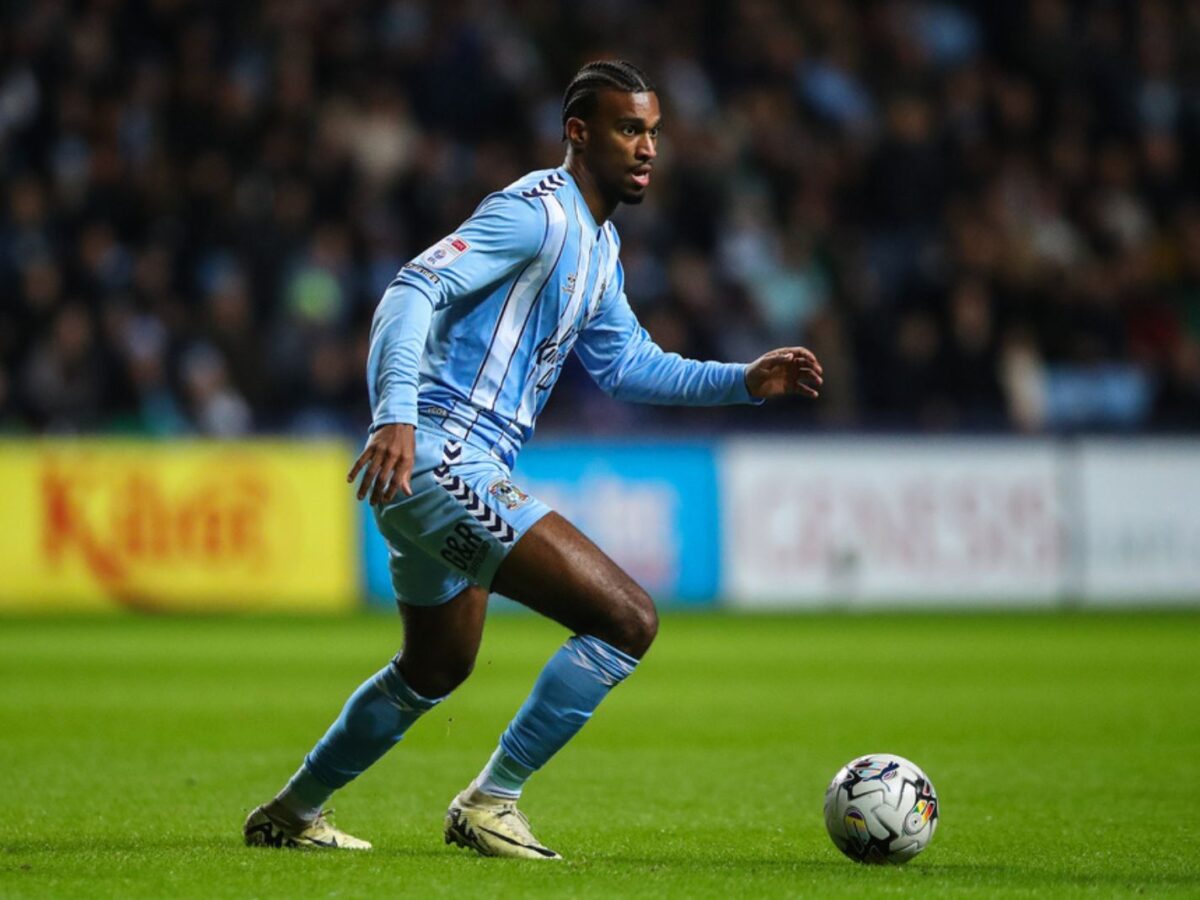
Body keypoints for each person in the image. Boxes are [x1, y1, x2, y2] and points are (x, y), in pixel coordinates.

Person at [243, 59, 823, 860]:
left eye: (653, 130)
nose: (648, 147)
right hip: (440, 454)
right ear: (579, 135)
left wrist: (743, 381)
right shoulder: (535, 214)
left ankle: (290, 813)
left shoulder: (600, 245)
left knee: (436, 667)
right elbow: (410, 290)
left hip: (447, 468)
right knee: (626, 619)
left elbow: (628, 366)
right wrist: (395, 417)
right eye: (630, 129)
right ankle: (490, 802)